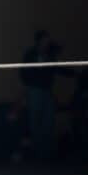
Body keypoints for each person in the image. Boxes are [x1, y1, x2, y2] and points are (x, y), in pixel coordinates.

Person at [20, 31, 72, 159]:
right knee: (35, 122)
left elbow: (57, 67)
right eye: (45, 40)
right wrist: (29, 85)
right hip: (35, 90)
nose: (47, 42)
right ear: (39, 41)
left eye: (48, 40)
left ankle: (47, 153)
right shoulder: (31, 54)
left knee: (48, 121)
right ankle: (37, 153)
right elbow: (23, 71)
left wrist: (73, 74)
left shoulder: (50, 54)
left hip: (47, 90)